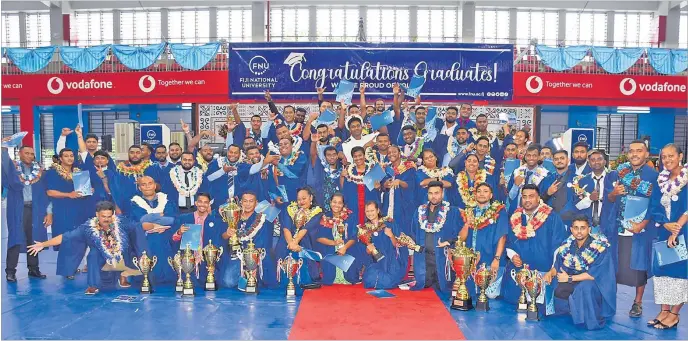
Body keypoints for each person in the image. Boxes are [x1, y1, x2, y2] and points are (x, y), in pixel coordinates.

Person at [27, 201, 148, 295]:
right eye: (103, 216)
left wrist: (156, 225)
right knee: (93, 254)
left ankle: (123, 276)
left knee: (125, 246)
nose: (106, 219)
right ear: (97, 215)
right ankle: (93, 285)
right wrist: (43, 244)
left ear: (113, 215)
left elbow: (139, 226)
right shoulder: (87, 227)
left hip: (122, 254)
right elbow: (65, 237)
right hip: (101, 256)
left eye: (109, 216)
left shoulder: (121, 222)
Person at [606, 140, 661, 318]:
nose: (635, 154)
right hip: (618, 227)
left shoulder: (654, 177)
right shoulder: (619, 173)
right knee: (615, 264)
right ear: (627, 154)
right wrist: (614, 193)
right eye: (631, 151)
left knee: (639, 266)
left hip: (640, 230)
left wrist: (643, 224)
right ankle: (609, 299)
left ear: (647, 154)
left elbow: (655, 205)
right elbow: (609, 198)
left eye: (639, 151)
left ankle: (637, 303)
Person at [502, 184, 567, 315]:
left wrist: (553, 269)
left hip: (544, 271)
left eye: (531, 196)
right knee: (511, 299)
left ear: (539, 198)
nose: (527, 200)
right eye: (524, 197)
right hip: (520, 270)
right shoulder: (515, 217)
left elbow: (559, 246)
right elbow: (508, 241)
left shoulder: (551, 217)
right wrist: (513, 255)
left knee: (542, 305)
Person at [544, 215, 616, 330]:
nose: (579, 231)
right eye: (576, 228)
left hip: (595, 285)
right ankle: (565, 309)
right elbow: (558, 266)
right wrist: (550, 273)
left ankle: (590, 319)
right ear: (571, 229)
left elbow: (594, 276)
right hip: (571, 280)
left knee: (585, 286)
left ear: (589, 229)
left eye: (582, 228)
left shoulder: (599, 248)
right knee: (549, 282)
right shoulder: (567, 245)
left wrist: (569, 278)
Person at [647, 143, 686, 329]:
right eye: (664, 157)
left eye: (671, 156)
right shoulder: (660, 180)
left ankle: (674, 314)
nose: (667, 160)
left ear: (680, 156)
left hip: (683, 232)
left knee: (680, 273)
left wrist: (676, 228)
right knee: (662, 271)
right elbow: (654, 205)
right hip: (664, 230)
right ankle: (663, 311)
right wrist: (664, 223)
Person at [2, 145, 51, 281]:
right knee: (15, 238)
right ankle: (10, 271)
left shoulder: (40, 172)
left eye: (32, 153)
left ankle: (33, 269)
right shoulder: (13, 170)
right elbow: (6, 171)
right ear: (20, 154)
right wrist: (4, 150)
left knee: (33, 238)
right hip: (18, 208)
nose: (30, 156)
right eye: (27, 153)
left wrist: (48, 212)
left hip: (35, 208)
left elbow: (45, 193)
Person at [406, 182, 460, 292]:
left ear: (442, 194)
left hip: (442, 257)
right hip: (424, 258)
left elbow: (459, 232)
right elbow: (413, 231)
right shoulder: (419, 211)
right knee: (423, 284)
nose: (433, 196)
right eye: (430, 193)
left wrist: (449, 242)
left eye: (436, 193)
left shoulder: (451, 211)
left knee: (444, 287)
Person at [458, 183, 508, 300]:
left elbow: (502, 236)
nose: (481, 194)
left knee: (491, 295)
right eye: (479, 191)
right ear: (475, 195)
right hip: (471, 263)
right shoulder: (469, 212)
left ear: (491, 195)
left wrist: (497, 259)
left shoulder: (499, 211)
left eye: (485, 191)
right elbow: (461, 238)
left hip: (491, 259)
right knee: (468, 295)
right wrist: (467, 224)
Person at [171, 192, 228, 289]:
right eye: (200, 202)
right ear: (196, 203)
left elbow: (219, 243)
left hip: (207, 261)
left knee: (212, 281)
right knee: (187, 282)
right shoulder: (183, 218)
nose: (203, 204)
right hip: (188, 260)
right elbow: (173, 239)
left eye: (206, 202)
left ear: (209, 204)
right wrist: (179, 232)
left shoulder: (216, 221)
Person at [221, 191, 277, 290]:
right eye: (245, 201)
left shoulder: (262, 218)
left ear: (256, 203)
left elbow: (263, 243)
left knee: (266, 282)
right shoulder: (233, 214)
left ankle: (251, 275)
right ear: (241, 202)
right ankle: (244, 276)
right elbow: (223, 237)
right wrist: (227, 233)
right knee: (228, 282)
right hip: (237, 254)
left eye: (251, 201)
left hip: (256, 254)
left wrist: (253, 263)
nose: (247, 204)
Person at [128, 176, 178, 284]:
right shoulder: (134, 202)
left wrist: (151, 223)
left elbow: (171, 219)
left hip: (166, 233)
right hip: (144, 236)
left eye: (150, 183)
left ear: (155, 185)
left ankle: (169, 276)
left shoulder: (166, 200)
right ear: (139, 188)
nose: (147, 187)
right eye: (143, 184)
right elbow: (141, 220)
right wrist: (159, 217)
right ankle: (148, 276)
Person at [274, 187, 323, 289]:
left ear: (311, 198)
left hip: (305, 242)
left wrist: (296, 242)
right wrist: (291, 243)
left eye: (304, 198)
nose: (301, 202)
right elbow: (286, 228)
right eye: (299, 199)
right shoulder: (290, 209)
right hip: (287, 241)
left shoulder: (317, 212)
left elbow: (305, 229)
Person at [316, 193, 363, 285]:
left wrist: (344, 247)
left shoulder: (350, 217)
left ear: (343, 205)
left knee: (351, 277)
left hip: (347, 250)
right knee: (328, 279)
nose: (336, 205)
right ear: (330, 202)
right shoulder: (324, 217)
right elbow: (318, 238)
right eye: (334, 202)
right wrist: (333, 243)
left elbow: (354, 237)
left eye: (340, 203)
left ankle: (350, 274)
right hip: (330, 251)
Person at [359, 201, 407, 290]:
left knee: (389, 282)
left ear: (378, 210)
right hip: (376, 262)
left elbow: (398, 244)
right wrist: (368, 250)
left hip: (391, 260)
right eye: (367, 211)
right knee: (368, 280)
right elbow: (364, 251)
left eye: (372, 210)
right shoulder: (364, 229)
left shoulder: (389, 223)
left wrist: (391, 235)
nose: (370, 213)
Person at [573, 150, 614, 236]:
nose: (596, 162)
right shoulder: (582, 181)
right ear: (589, 163)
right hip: (589, 226)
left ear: (605, 162)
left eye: (599, 159)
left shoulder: (613, 178)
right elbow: (577, 206)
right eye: (593, 160)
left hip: (610, 225)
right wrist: (589, 199)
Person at [341, 146, 383, 226]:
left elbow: (381, 188)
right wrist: (342, 176)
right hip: (354, 205)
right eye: (355, 156)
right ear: (353, 158)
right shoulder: (349, 171)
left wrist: (378, 187)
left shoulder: (373, 169)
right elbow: (344, 188)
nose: (358, 158)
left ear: (364, 156)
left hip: (369, 204)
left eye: (360, 155)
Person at [381, 145, 416, 234]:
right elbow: (379, 187)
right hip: (388, 205)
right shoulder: (386, 169)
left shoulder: (408, 167)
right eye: (389, 153)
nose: (391, 154)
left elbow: (412, 185)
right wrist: (384, 185)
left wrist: (400, 182)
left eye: (394, 152)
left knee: (403, 232)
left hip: (403, 206)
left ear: (399, 153)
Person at [539, 150, 578, 228]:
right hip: (548, 221)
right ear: (553, 162)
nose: (559, 161)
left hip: (570, 222)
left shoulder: (577, 179)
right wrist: (547, 193)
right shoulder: (546, 180)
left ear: (568, 160)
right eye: (556, 159)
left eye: (562, 158)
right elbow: (538, 200)